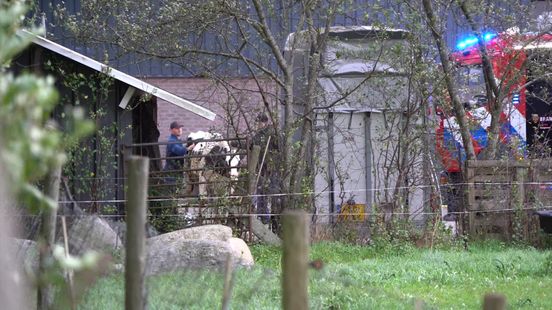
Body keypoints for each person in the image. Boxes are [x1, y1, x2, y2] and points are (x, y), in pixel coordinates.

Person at [251, 113, 280, 225]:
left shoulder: (271, 133)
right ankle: (262, 216)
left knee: (271, 191)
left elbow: (278, 147)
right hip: (261, 167)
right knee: (260, 191)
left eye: (258, 122)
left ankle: (271, 218)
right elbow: (251, 144)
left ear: (263, 122)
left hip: (270, 167)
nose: (257, 125)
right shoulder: (258, 135)